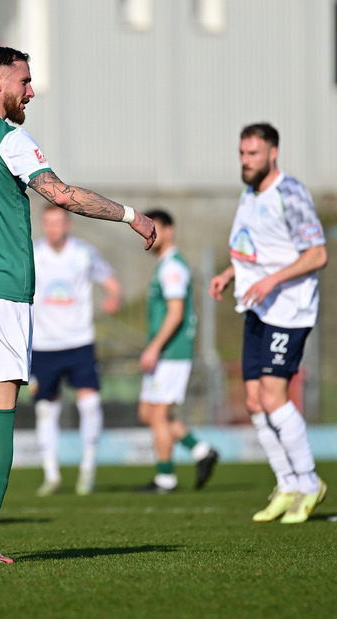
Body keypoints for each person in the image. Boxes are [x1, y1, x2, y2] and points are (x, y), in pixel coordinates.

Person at [0, 46, 156, 565]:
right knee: (1, 413)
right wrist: (130, 215)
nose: (31, 91)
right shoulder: (9, 138)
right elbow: (59, 195)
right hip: (1, 288)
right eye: (25, 81)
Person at [208, 122, 328, 524]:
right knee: (255, 401)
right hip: (258, 307)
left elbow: (316, 254)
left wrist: (272, 280)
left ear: (273, 153)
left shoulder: (289, 193)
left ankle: (310, 482)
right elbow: (258, 251)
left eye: (253, 154)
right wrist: (230, 273)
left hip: (288, 310)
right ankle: (287, 483)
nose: (245, 161)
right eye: (242, 154)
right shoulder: (249, 193)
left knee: (275, 397)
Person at [30, 204, 122, 497]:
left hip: (80, 341)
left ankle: (88, 470)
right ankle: (51, 474)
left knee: (90, 404)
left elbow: (111, 284)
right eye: (48, 223)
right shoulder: (32, 254)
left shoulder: (83, 253)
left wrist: (113, 296)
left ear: (68, 224)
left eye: (58, 223)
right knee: (46, 409)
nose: (53, 229)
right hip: (44, 344)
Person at [136, 209, 218, 493]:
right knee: (148, 413)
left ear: (169, 230)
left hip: (172, 352)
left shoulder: (172, 267)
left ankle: (165, 478)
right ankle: (200, 451)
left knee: (158, 415)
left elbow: (176, 312)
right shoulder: (165, 265)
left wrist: (154, 348)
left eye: (152, 227)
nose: (146, 233)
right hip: (165, 351)